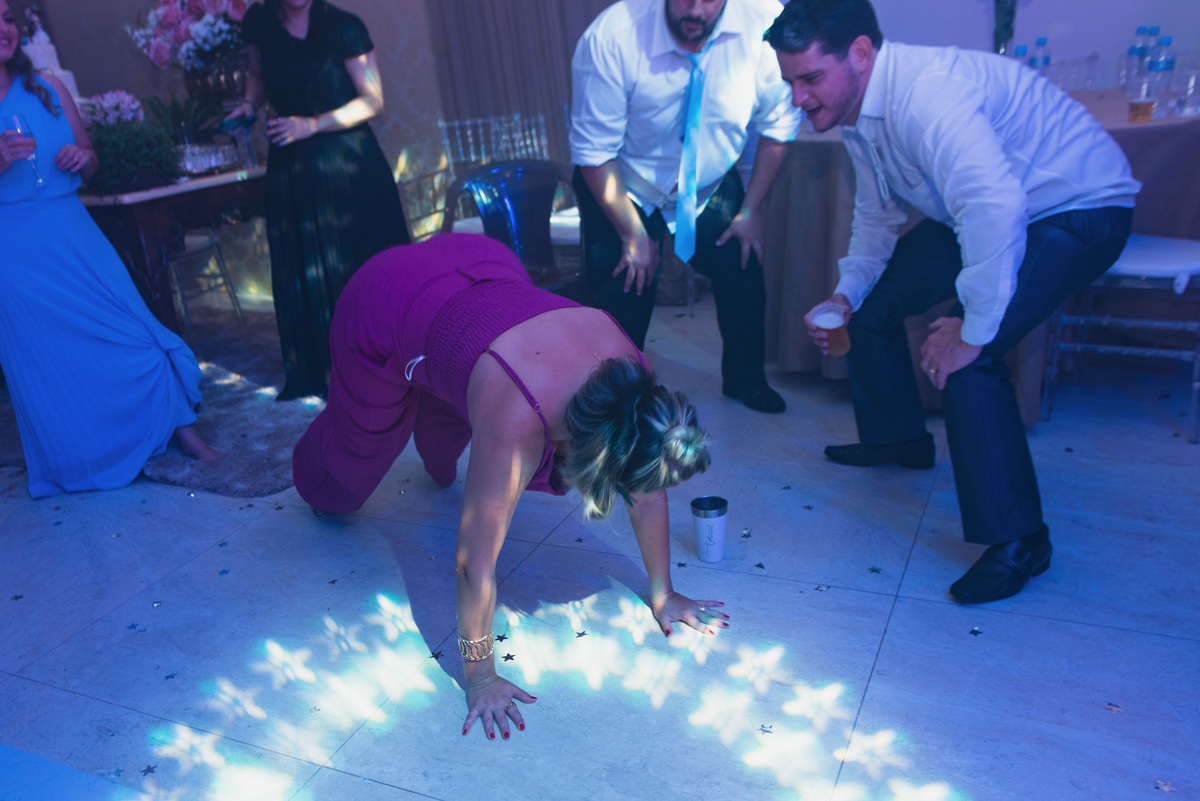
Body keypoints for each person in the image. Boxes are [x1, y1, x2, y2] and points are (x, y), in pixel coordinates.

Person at [765, 0, 1140, 603]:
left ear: (860, 53)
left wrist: (970, 329)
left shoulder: (927, 93)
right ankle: (898, 438)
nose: (798, 98)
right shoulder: (858, 111)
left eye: (810, 78)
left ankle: (1020, 541)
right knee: (874, 305)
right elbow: (877, 218)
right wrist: (845, 293)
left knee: (973, 357)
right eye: (790, 82)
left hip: (1080, 208)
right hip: (987, 213)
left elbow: (996, 207)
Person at [292, 233, 729, 738]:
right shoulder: (519, 415)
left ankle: (435, 405)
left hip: (484, 261)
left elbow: (647, 492)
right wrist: (480, 677)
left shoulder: (638, 390)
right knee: (349, 470)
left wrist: (664, 594)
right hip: (387, 296)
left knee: (445, 451)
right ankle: (319, 472)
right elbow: (471, 563)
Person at [0, 1, 222, 498]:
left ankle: (186, 433)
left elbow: (92, 159)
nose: (3, 29)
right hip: (13, 247)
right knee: (49, 356)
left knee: (133, 325)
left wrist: (82, 157)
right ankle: (83, 456)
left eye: (7, 18)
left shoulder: (48, 87)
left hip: (70, 227)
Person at [569, 0, 801, 414]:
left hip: (708, 179)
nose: (695, 10)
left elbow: (779, 126)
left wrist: (750, 212)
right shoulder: (611, 37)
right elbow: (593, 153)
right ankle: (616, 400)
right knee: (626, 286)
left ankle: (746, 377)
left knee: (742, 259)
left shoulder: (766, 22)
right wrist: (632, 233)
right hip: (625, 180)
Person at [228, 0, 410, 401]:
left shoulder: (344, 27)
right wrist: (248, 105)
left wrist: (311, 125)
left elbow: (373, 100)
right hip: (292, 169)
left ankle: (388, 367)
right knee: (306, 267)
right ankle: (327, 372)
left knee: (361, 266)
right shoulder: (259, 23)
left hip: (349, 167)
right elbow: (257, 76)